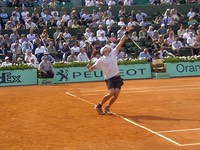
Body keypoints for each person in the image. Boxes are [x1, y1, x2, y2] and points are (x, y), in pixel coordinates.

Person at [86, 32, 128, 115]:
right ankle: (98, 106)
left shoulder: (113, 53)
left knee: (116, 94)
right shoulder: (100, 60)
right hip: (109, 78)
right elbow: (91, 70)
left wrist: (126, 33)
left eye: (107, 47)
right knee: (111, 93)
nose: (106, 48)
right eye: (105, 47)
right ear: (102, 51)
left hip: (117, 77)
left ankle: (107, 107)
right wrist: (88, 67)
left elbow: (121, 42)